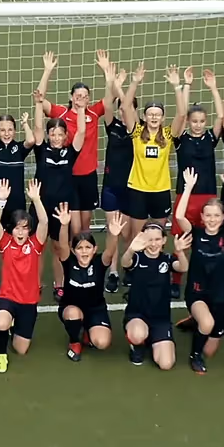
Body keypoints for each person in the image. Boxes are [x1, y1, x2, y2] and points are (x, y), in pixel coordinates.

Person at [36, 50, 114, 240]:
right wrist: (47, 71)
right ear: (71, 97)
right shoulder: (61, 113)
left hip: (88, 176)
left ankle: (82, 259)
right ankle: (69, 259)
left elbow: (110, 99)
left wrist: (107, 74)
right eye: (77, 95)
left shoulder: (94, 112)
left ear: (89, 98)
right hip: (68, 177)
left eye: (85, 96)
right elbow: (39, 99)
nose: (81, 98)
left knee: (85, 225)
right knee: (73, 225)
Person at [177, 168, 224, 374]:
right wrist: (188, 188)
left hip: (219, 297)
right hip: (197, 293)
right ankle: (194, 356)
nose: (212, 219)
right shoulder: (195, 233)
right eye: (208, 215)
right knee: (206, 324)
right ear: (203, 217)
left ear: (223, 217)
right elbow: (179, 215)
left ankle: (195, 321)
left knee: (211, 349)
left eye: (217, 215)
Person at [169, 66, 224, 297]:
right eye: (195, 121)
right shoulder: (180, 139)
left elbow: (222, 116)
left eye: (202, 121)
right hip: (186, 196)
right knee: (181, 238)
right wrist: (185, 86)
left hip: (208, 197)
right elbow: (181, 114)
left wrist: (213, 88)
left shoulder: (211, 137)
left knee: (208, 241)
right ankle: (176, 279)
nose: (198, 124)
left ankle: (206, 278)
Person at [0, 179, 53, 373]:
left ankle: (14, 325)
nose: (20, 231)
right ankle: (1, 354)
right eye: (17, 227)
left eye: (25, 228)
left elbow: (45, 221)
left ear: (29, 230)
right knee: (1, 322)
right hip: (7, 297)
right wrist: (0, 200)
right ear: (12, 229)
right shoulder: (5, 242)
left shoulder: (35, 244)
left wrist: (36, 200)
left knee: (21, 349)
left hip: (28, 301)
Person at [0, 105, 36, 298]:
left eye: (10, 129)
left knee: (16, 242)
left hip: (16, 204)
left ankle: (14, 277)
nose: (6, 133)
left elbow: (32, 140)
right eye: (2, 129)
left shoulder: (19, 149)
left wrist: (26, 124)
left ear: (15, 131)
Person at [32, 91, 88, 297]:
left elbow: (82, 132)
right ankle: (35, 285)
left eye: (59, 134)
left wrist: (81, 109)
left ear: (65, 136)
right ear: (48, 136)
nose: (56, 138)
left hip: (60, 209)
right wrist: (39, 104)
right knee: (38, 247)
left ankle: (59, 284)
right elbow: (38, 127)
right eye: (52, 134)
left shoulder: (70, 152)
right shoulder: (41, 150)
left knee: (58, 248)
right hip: (40, 207)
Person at [120, 63, 180, 237]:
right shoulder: (137, 132)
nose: (154, 117)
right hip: (138, 190)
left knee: (157, 235)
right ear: (145, 117)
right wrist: (135, 82)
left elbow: (182, 114)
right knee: (138, 236)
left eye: (157, 114)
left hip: (160, 190)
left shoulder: (168, 134)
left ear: (162, 118)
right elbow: (125, 108)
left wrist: (177, 86)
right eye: (150, 114)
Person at [121, 220, 190, 370]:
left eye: (157, 239)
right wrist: (131, 249)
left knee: (166, 364)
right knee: (138, 334)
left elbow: (182, 267)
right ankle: (137, 346)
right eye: (149, 239)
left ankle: (153, 339)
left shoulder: (166, 259)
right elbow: (125, 263)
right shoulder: (137, 257)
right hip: (137, 315)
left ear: (164, 240)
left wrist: (180, 252)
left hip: (160, 319)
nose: (153, 244)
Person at [57, 210, 124, 361]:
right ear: (74, 251)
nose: (84, 251)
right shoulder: (69, 262)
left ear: (94, 249)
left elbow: (110, 251)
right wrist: (64, 225)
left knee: (102, 343)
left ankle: (88, 331)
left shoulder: (100, 263)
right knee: (73, 314)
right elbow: (62, 245)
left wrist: (114, 234)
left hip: (96, 309)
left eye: (88, 247)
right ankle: (75, 341)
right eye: (80, 248)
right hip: (71, 308)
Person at [101, 66, 135, 293]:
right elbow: (107, 105)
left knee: (128, 233)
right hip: (111, 187)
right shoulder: (112, 126)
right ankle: (112, 271)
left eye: (127, 108)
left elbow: (126, 106)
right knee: (113, 230)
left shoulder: (138, 130)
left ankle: (128, 267)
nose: (122, 112)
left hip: (132, 188)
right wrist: (110, 80)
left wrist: (122, 90)